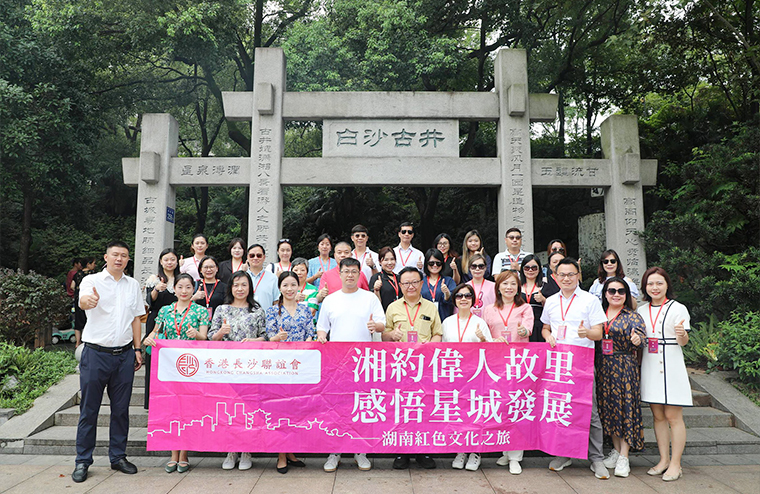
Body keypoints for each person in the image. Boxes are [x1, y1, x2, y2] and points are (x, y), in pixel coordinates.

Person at [72, 241, 145, 483]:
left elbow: (136, 319)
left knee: (121, 410)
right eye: (115, 255)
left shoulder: (133, 285)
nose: (119, 259)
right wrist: (88, 302)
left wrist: (137, 349)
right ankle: (83, 460)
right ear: (106, 257)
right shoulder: (91, 280)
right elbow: (83, 301)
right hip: (95, 354)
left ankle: (118, 456)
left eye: (124, 255)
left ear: (128, 259)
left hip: (124, 355)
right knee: (89, 409)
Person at [541, 257, 609, 480]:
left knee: (589, 411)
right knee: (561, 408)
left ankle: (596, 458)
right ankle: (564, 454)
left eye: (571, 274)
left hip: (582, 363)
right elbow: (545, 327)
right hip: (558, 365)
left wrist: (586, 333)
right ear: (555, 277)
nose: (567, 278)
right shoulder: (551, 301)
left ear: (578, 275)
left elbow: (599, 333)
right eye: (562, 274)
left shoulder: (590, 300)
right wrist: (548, 336)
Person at [316, 258, 386, 473]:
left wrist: (375, 326)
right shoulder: (331, 299)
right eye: (346, 271)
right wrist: (321, 336)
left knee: (361, 405)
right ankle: (334, 451)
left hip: (364, 362)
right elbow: (322, 327)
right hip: (337, 363)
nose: (350, 275)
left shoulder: (369, 298)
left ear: (359, 274)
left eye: (354, 271)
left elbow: (382, 324)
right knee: (336, 407)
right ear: (340, 273)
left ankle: (360, 450)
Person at [144, 273, 209, 473]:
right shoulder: (165, 310)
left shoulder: (201, 311)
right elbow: (155, 332)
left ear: (193, 289)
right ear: (174, 289)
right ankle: (173, 453)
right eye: (180, 287)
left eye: (188, 287)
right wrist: (148, 339)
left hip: (192, 368)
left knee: (189, 410)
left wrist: (196, 334)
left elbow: (205, 338)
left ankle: (184, 454)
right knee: (172, 409)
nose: (184, 291)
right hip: (170, 367)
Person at [383, 266, 442, 470]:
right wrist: (392, 335)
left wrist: (429, 347)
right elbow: (384, 336)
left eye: (415, 282)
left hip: (424, 365)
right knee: (401, 407)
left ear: (421, 283)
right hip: (400, 366)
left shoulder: (430, 307)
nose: (411, 286)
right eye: (406, 283)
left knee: (424, 407)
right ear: (400, 285)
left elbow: (438, 333)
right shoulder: (392, 308)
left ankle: (424, 451)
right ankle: (401, 452)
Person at [208, 271, 266, 471]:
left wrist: (254, 341)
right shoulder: (222, 309)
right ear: (230, 288)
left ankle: (247, 450)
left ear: (250, 287)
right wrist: (220, 333)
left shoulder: (257, 311)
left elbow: (265, 336)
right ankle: (231, 450)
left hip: (251, 367)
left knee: (249, 409)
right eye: (236, 285)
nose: (240, 289)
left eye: (244, 285)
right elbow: (210, 337)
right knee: (230, 409)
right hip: (226, 367)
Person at [637, 267, 691, 482]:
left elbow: (683, 341)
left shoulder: (678, 308)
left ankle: (676, 464)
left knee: (673, 416)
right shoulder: (641, 310)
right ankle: (663, 460)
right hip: (650, 364)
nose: (655, 287)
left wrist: (681, 334)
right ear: (645, 287)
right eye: (650, 283)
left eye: (659, 283)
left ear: (667, 284)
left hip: (671, 363)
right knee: (658, 416)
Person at [482, 270, 533, 474]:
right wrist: (491, 340)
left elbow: (528, 328)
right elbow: (485, 334)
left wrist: (523, 331)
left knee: (516, 406)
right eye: (505, 284)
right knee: (499, 406)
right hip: (495, 364)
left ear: (518, 287)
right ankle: (505, 449)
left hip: (518, 364)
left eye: (513, 284)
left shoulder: (525, 307)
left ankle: (515, 457)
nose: (509, 287)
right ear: (498, 287)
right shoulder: (488, 309)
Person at [597, 277, 646, 478]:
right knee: (609, 409)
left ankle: (625, 455)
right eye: (612, 291)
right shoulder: (598, 314)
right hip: (603, 367)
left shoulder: (632, 316)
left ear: (626, 294)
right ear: (605, 294)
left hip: (624, 366)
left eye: (621, 291)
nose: (616, 294)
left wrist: (637, 339)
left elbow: (642, 337)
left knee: (625, 408)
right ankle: (616, 451)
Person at [266, 272, 315, 473]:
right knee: (280, 410)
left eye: (293, 285)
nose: (289, 289)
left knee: (296, 410)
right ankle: (281, 454)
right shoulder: (272, 311)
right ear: (280, 288)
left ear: (298, 287)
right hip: (280, 367)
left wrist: (309, 341)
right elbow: (268, 337)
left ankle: (291, 451)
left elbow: (311, 333)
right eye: (285, 285)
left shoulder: (305, 310)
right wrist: (277, 338)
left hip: (300, 367)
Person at [443, 284, 491, 471]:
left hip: (475, 375)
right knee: (459, 414)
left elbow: (491, 351)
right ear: (454, 299)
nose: (463, 299)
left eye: (467, 296)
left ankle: (476, 452)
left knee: (476, 414)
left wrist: (483, 340)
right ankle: (461, 450)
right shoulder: (447, 322)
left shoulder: (480, 322)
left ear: (473, 300)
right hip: (454, 375)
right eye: (459, 296)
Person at [143, 249, 179, 409]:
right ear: (161, 262)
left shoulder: (181, 279)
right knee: (154, 360)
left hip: (177, 322)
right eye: (166, 259)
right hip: (156, 322)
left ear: (177, 262)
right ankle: (151, 401)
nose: (169, 262)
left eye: (172, 259)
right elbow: (149, 301)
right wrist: (157, 289)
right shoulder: (154, 279)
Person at [420, 248, 456, 321]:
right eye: (431, 263)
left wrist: (447, 293)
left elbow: (452, 300)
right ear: (426, 264)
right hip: (424, 320)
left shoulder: (448, 281)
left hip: (444, 320)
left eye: (438, 263)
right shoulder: (420, 281)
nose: (435, 265)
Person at [520, 255, 547, 342]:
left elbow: (553, 309)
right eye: (527, 268)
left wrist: (543, 300)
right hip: (521, 326)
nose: (530, 270)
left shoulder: (546, 286)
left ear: (539, 269)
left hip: (539, 326)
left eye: (534, 268)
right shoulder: (516, 287)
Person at [246, 244, 281, 309]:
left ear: (264, 257)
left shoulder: (273, 278)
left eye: (259, 255)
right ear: (247, 257)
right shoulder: (242, 277)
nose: (255, 258)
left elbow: (276, 301)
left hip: (266, 314)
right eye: (252, 256)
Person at [460, 253, 494, 318]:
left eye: (481, 266)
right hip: (469, 321)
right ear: (469, 268)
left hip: (489, 320)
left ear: (485, 268)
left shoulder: (493, 286)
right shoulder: (463, 287)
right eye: (474, 266)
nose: (477, 269)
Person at [192, 256, 227, 321]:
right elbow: (184, 305)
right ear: (200, 270)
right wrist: (194, 298)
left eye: (211, 267)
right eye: (205, 267)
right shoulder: (194, 285)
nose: (208, 270)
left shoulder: (224, 287)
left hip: (218, 322)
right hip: (197, 322)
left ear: (217, 269)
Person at [72, 257, 97, 346]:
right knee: (89, 319)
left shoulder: (77, 274)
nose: (95, 265)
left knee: (78, 320)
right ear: (88, 264)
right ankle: (88, 341)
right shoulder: (93, 275)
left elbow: (72, 286)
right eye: (93, 263)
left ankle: (77, 342)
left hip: (78, 299)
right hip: (91, 300)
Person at [369, 246, 402, 311]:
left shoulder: (400, 277)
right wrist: (376, 290)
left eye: (392, 259)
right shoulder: (376, 278)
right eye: (386, 260)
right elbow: (374, 304)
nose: (389, 263)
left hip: (400, 313)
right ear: (380, 262)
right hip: (384, 313)